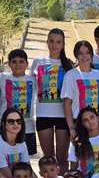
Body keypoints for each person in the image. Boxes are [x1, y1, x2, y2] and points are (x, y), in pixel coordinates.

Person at [31, 28, 75, 167]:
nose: (54, 45)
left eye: (58, 42)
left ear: (63, 44)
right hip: (43, 114)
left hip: (63, 115)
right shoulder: (38, 62)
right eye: (51, 41)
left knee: (62, 158)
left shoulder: (69, 64)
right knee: (48, 159)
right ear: (47, 42)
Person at [62, 40, 99, 144]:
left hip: (96, 123)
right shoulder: (70, 75)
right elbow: (67, 104)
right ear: (76, 56)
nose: (84, 56)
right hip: (78, 123)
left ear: (91, 55)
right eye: (81, 53)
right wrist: (71, 128)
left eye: (87, 52)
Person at [0, 49, 38, 156]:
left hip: (27, 128)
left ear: (27, 64)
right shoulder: (2, 78)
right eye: (14, 62)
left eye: (21, 61)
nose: (18, 65)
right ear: (9, 64)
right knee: (5, 157)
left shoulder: (33, 80)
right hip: (6, 128)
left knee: (26, 161)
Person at [0, 108, 30, 178]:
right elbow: (9, 177)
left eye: (19, 121)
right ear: (3, 124)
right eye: (11, 121)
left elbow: (28, 169)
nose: (16, 124)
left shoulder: (22, 143)